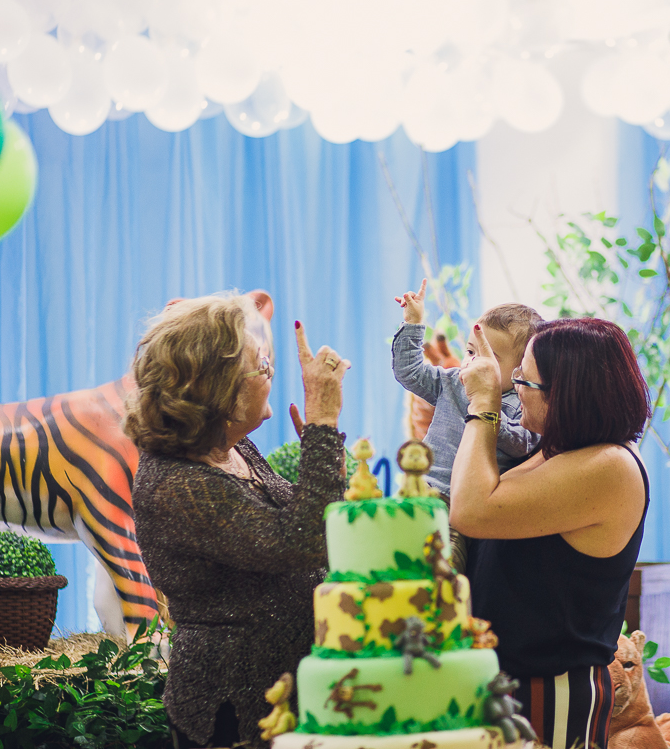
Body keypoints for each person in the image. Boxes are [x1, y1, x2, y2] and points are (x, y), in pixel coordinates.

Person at [124, 293, 350, 749]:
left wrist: (328, 463)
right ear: (218, 390)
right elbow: (301, 542)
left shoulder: (231, 450)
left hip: (287, 695)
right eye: (262, 367)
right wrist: (323, 424)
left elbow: (310, 526)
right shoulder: (176, 483)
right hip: (233, 709)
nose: (272, 376)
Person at [452, 318, 651, 749]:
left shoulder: (609, 467)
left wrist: (483, 403)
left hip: (549, 690)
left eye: (525, 380)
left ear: (567, 395)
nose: (514, 387)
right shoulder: (558, 451)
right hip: (509, 683)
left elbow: (469, 509)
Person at [392, 280, 542, 570]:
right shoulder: (453, 381)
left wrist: (485, 406)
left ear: (520, 370)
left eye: (486, 357)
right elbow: (409, 371)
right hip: (419, 491)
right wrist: (413, 323)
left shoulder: (522, 403)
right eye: (471, 351)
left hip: (458, 510)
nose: (471, 362)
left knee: (438, 578)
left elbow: (522, 442)